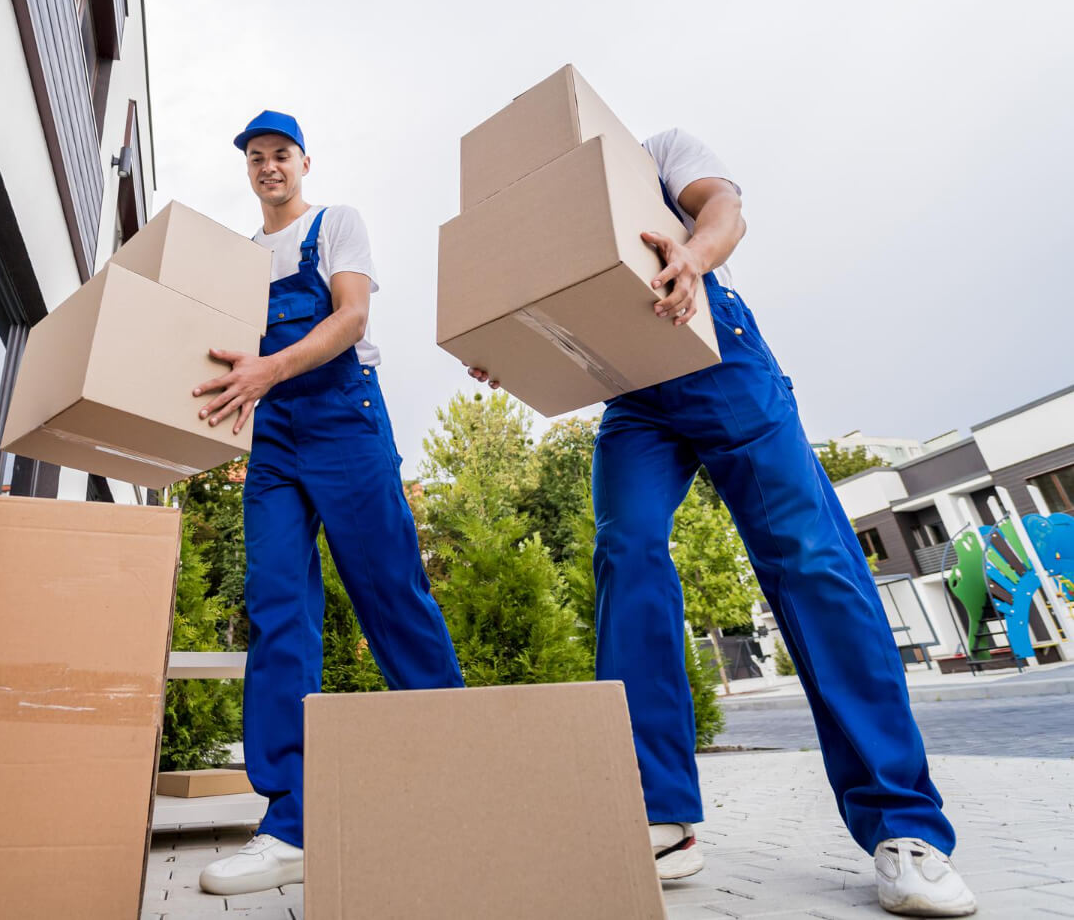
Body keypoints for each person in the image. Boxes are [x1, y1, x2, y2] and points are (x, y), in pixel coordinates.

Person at [469, 128, 976, 918]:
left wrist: (694, 258)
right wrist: (516, 347)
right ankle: (660, 815)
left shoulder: (657, 150)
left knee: (810, 563)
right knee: (625, 549)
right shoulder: (541, 218)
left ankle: (905, 829)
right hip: (635, 393)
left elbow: (725, 209)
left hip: (714, 349)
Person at [195, 110, 464, 895]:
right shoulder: (239, 257)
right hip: (274, 439)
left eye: (281, 154)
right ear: (246, 169)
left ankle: (457, 777)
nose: (269, 167)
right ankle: (291, 825)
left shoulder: (334, 225)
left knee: (391, 597)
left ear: (303, 162)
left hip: (345, 421)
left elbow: (351, 317)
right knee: (278, 604)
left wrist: (268, 372)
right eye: (256, 157)